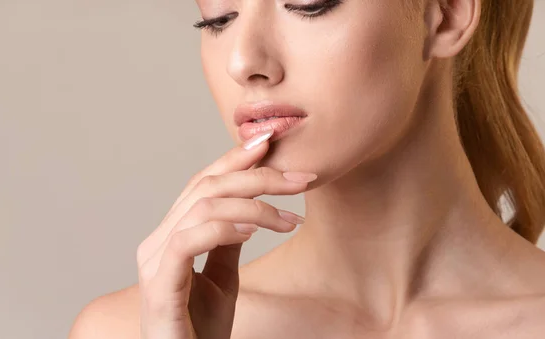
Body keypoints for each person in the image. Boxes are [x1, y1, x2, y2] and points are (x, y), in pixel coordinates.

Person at [69, 0, 545, 338]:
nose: (243, 61)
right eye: (218, 19)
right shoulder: (125, 330)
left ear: (447, 14)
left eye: (308, 5)